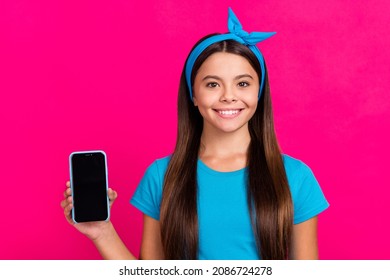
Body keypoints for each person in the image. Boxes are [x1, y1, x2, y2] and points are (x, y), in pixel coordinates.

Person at [61, 8, 329, 260]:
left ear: (258, 93)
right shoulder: (162, 176)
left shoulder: (295, 177)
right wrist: (101, 232)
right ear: (193, 94)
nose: (228, 96)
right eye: (213, 84)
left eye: (243, 83)